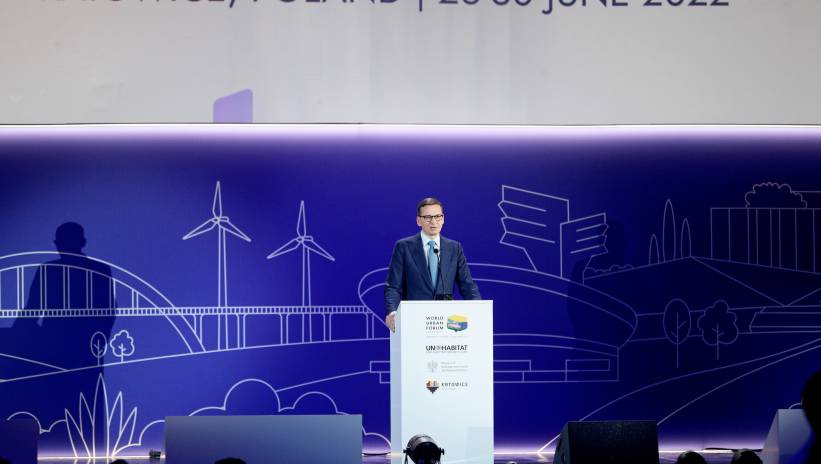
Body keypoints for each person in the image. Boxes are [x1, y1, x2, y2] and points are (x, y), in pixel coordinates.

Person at [384, 197, 481, 332]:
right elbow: (393, 287)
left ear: (443, 219)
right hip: (415, 321)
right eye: (428, 217)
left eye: (437, 216)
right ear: (418, 221)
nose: (434, 222)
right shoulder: (404, 247)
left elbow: (467, 285)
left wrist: (479, 310)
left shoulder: (454, 248)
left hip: (447, 322)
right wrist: (393, 312)